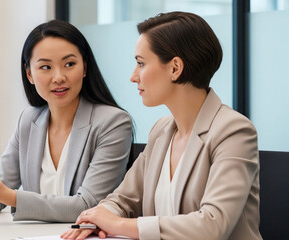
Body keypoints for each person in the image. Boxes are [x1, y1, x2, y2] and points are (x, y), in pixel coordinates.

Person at [62, 11, 261, 240]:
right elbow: (123, 199)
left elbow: (212, 225)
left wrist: (119, 225)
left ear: (175, 68)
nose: (133, 76)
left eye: (140, 63)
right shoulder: (162, 130)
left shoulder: (234, 131)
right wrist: (97, 218)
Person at [0, 20, 133, 223]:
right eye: (45, 67)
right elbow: (1, 185)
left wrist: (10, 197)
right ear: (29, 74)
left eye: (69, 64)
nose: (59, 77)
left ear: (85, 67)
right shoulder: (29, 119)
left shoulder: (112, 123)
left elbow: (88, 205)